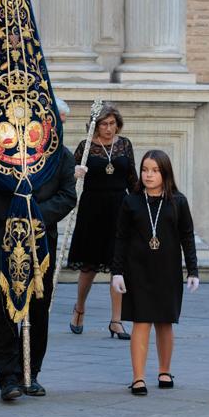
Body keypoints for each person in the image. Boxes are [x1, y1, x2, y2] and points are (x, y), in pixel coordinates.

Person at [0, 100, 77, 400]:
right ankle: (8, 376)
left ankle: (31, 372)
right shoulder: (0, 153)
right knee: (2, 311)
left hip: (39, 247)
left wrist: (34, 214)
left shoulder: (62, 157)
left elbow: (67, 197)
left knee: (38, 311)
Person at [111, 150, 199, 396]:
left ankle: (164, 370)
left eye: (155, 170)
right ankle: (138, 377)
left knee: (165, 322)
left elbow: (187, 236)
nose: (148, 175)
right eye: (145, 170)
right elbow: (121, 237)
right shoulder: (131, 201)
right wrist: (116, 271)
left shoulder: (178, 201)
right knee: (141, 322)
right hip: (137, 269)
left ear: (165, 173)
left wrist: (193, 269)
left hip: (167, 270)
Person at [66, 103, 137, 340]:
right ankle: (79, 309)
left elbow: (131, 179)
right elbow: (68, 175)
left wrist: (140, 205)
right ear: (95, 126)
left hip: (119, 208)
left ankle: (116, 320)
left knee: (119, 267)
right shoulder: (86, 147)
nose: (109, 128)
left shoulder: (124, 144)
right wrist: (76, 172)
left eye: (112, 123)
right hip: (92, 209)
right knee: (89, 266)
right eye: (104, 124)